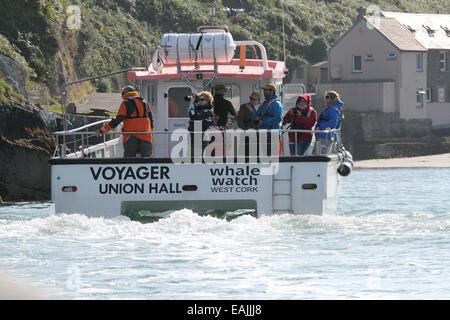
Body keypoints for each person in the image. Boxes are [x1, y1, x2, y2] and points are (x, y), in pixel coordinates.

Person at [97, 85, 153, 157]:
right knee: (147, 160)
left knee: (128, 160)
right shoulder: (145, 102)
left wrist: (102, 130)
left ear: (124, 94)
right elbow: (151, 120)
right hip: (146, 136)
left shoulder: (125, 103)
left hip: (131, 136)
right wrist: (150, 134)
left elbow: (117, 120)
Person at [252, 83, 283, 156]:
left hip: (272, 134)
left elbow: (278, 118)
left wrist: (263, 122)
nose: (264, 91)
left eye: (266, 90)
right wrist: (255, 118)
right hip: (262, 132)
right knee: (263, 155)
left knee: (271, 156)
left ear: (272, 91)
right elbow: (256, 113)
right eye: (264, 90)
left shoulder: (276, 104)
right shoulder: (264, 103)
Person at [315, 90, 344, 154]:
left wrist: (320, 127)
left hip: (326, 137)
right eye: (325, 97)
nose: (326, 99)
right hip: (323, 136)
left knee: (323, 154)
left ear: (333, 99)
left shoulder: (333, 110)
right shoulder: (330, 109)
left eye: (328, 97)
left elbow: (333, 124)